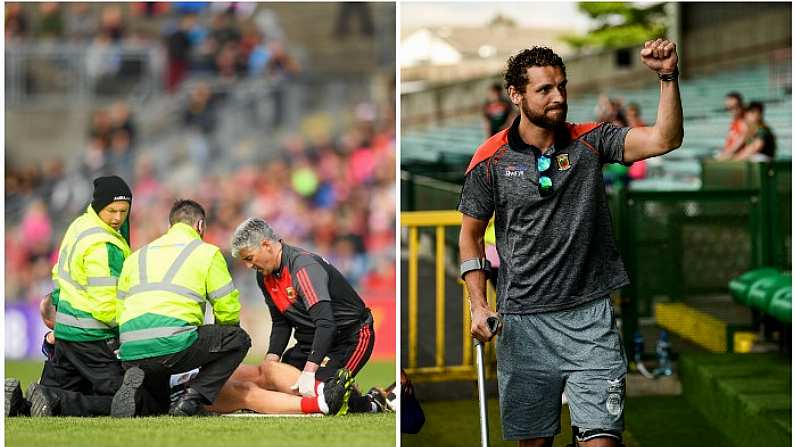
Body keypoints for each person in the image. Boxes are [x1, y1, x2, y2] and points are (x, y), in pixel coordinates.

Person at [458, 40, 682, 447]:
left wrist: (667, 77)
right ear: (516, 94)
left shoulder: (591, 141)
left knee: (602, 442)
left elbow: (664, 139)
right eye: (544, 89)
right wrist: (478, 303)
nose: (558, 96)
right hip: (522, 323)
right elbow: (470, 236)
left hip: (591, 320)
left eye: (562, 86)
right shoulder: (489, 159)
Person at [110, 199, 251, 417]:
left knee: (158, 407)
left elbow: (120, 308)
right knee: (238, 339)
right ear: (200, 225)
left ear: (170, 226)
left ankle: (137, 388)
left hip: (131, 348)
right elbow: (227, 307)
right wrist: (222, 338)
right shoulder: (207, 253)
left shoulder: (137, 256)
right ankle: (192, 398)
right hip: (173, 342)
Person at [6, 176, 134, 417]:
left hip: (65, 333)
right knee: (125, 401)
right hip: (91, 337)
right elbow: (106, 307)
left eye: (123, 211)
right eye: (112, 210)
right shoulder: (104, 244)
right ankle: (57, 400)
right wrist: (128, 330)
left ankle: (17, 403)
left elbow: (60, 274)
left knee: (44, 397)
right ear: (99, 207)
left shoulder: (80, 226)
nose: (117, 217)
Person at [229, 217, 384, 414]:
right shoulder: (264, 276)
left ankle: (370, 403)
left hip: (350, 337)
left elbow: (326, 324)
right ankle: (348, 393)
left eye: (249, 258)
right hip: (311, 342)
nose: (249, 266)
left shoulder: (302, 268)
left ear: (266, 245)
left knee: (325, 393)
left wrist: (309, 371)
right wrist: (271, 362)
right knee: (279, 384)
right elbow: (280, 323)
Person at [716, 91, 748, 160]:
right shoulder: (735, 121)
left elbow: (739, 143)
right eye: (728, 108)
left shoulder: (745, 123)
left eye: (735, 107)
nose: (732, 111)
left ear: (742, 105)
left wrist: (724, 155)